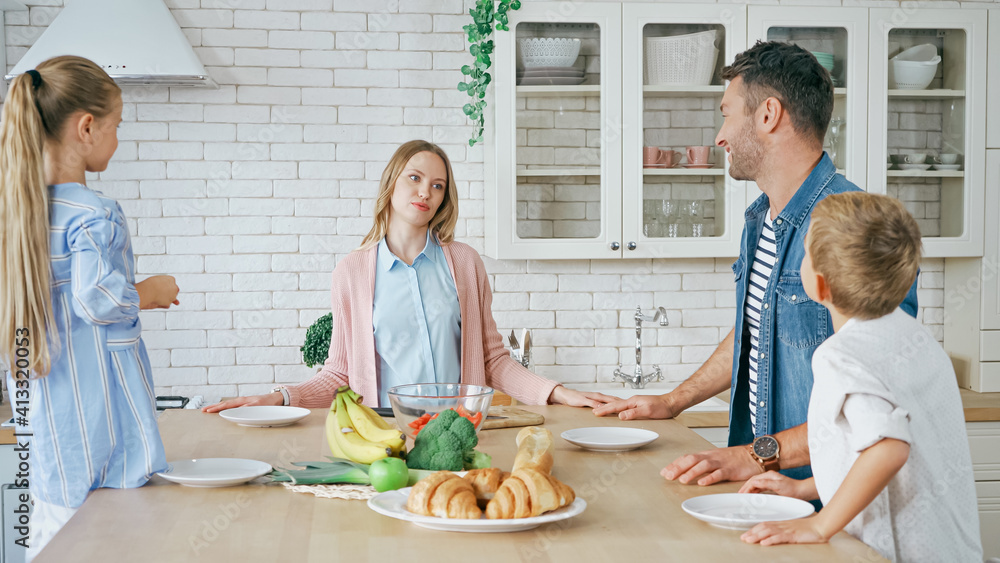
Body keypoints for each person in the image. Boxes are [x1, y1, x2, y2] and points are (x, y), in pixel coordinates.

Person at [594, 41, 919, 486]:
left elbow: (882, 397)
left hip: (831, 497)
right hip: (772, 488)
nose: (719, 136)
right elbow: (759, 329)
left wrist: (759, 455)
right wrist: (673, 402)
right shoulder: (760, 220)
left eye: (727, 114)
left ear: (768, 114)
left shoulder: (856, 228)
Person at [204, 140, 614, 411]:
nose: (425, 192)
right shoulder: (352, 273)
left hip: (461, 429)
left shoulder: (465, 264)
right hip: (386, 432)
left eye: (438, 186)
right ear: (392, 183)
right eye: (415, 178)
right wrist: (278, 397)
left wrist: (557, 393)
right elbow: (338, 374)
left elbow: (491, 359)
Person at [0, 56, 180, 561]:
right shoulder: (94, 212)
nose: (117, 139)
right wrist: (151, 289)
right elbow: (98, 298)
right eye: (116, 125)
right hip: (102, 437)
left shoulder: (16, 216)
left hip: (48, 440)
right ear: (86, 127)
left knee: (50, 543)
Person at [738, 192, 981, 561]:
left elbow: (888, 448)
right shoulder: (918, 339)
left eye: (805, 255)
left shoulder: (841, 356)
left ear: (820, 286)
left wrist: (820, 526)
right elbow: (882, 449)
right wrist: (805, 488)